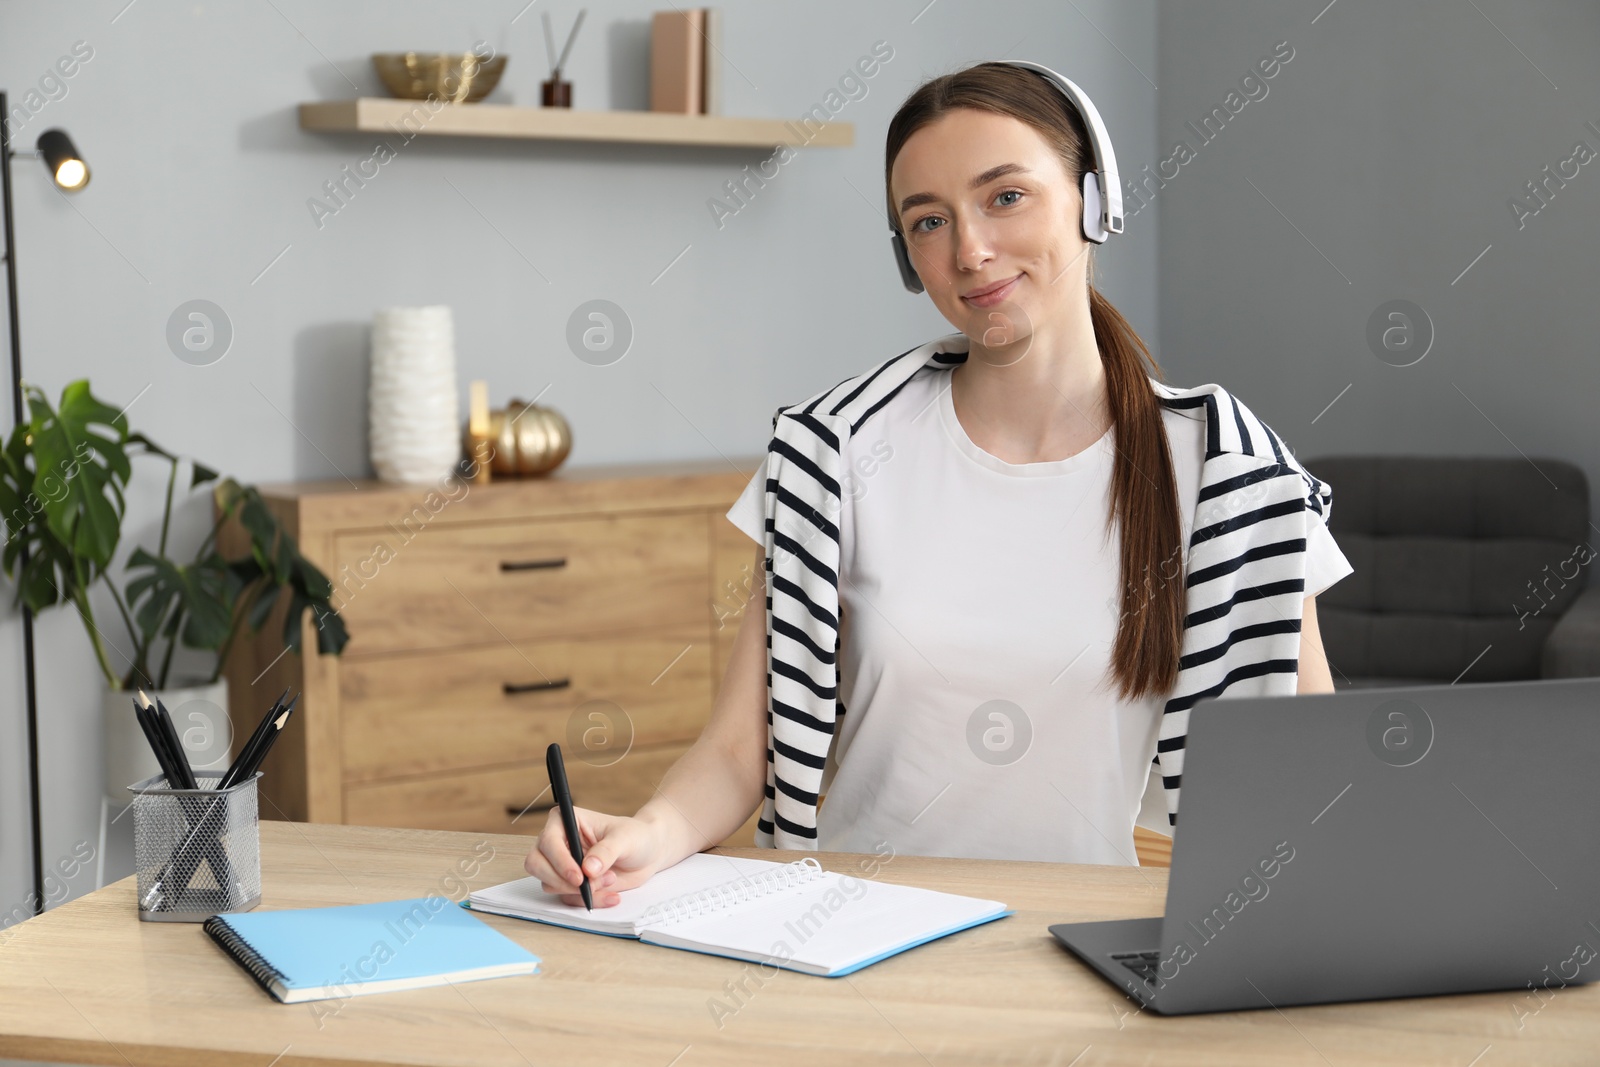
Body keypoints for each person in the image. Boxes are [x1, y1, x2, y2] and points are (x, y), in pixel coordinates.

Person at [523, 61, 1352, 907]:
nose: (970, 250)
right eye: (929, 221)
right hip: (846, 932)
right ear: (906, 257)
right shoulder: (833, 453)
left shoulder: (1227, 473)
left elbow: (1307, 776)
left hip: (1077, 944)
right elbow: (742, 748)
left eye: (1006, 197)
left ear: (1094, 201)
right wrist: (648, 832)